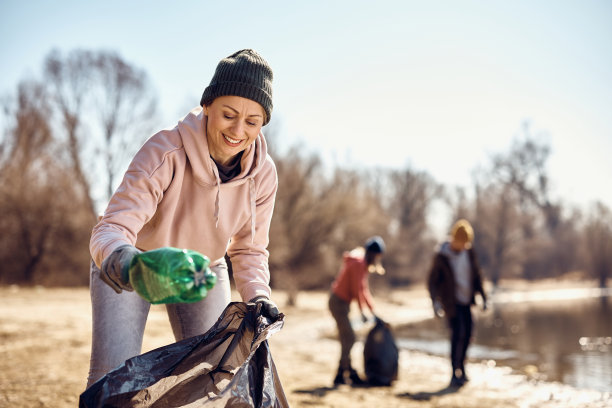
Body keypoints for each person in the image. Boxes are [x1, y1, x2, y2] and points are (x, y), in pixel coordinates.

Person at [87, 49, 280, 388]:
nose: (238, 130)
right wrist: (127, 263)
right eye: (228, 115)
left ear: (262, 123)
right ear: (208, 106)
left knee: (209, 379)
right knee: (110, 378)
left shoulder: (262, 176)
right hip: (139, 262)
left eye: (252, 122)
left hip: (202, 270)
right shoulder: (165, 151)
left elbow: (249, 249)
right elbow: (113, 227)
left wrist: (259, 298)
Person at [427, 219, 487, 387]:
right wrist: (436, 303)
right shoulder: (442, 256)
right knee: (457, 335)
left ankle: (463, 368)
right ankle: (454, 372)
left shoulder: (469, 252)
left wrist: (483, 297)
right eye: (462, 242)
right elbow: (432, 282)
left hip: (468, 301)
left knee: (468, 335)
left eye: (467, 242)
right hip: (451, 303)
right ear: (454, 239)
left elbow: (477, 275)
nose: (464, 245)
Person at [328, 236, 385, 386]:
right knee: (350, 338)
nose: (377, 259)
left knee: (347, 338)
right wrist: (363, 313)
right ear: (373, 254)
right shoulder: (359, 264)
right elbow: (357, 290)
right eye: (377, 256)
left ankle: (346, 371)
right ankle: (342, 373)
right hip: (338, 303)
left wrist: (373, 311)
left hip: (342, 304)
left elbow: (363, 290)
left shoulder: (361, 263)